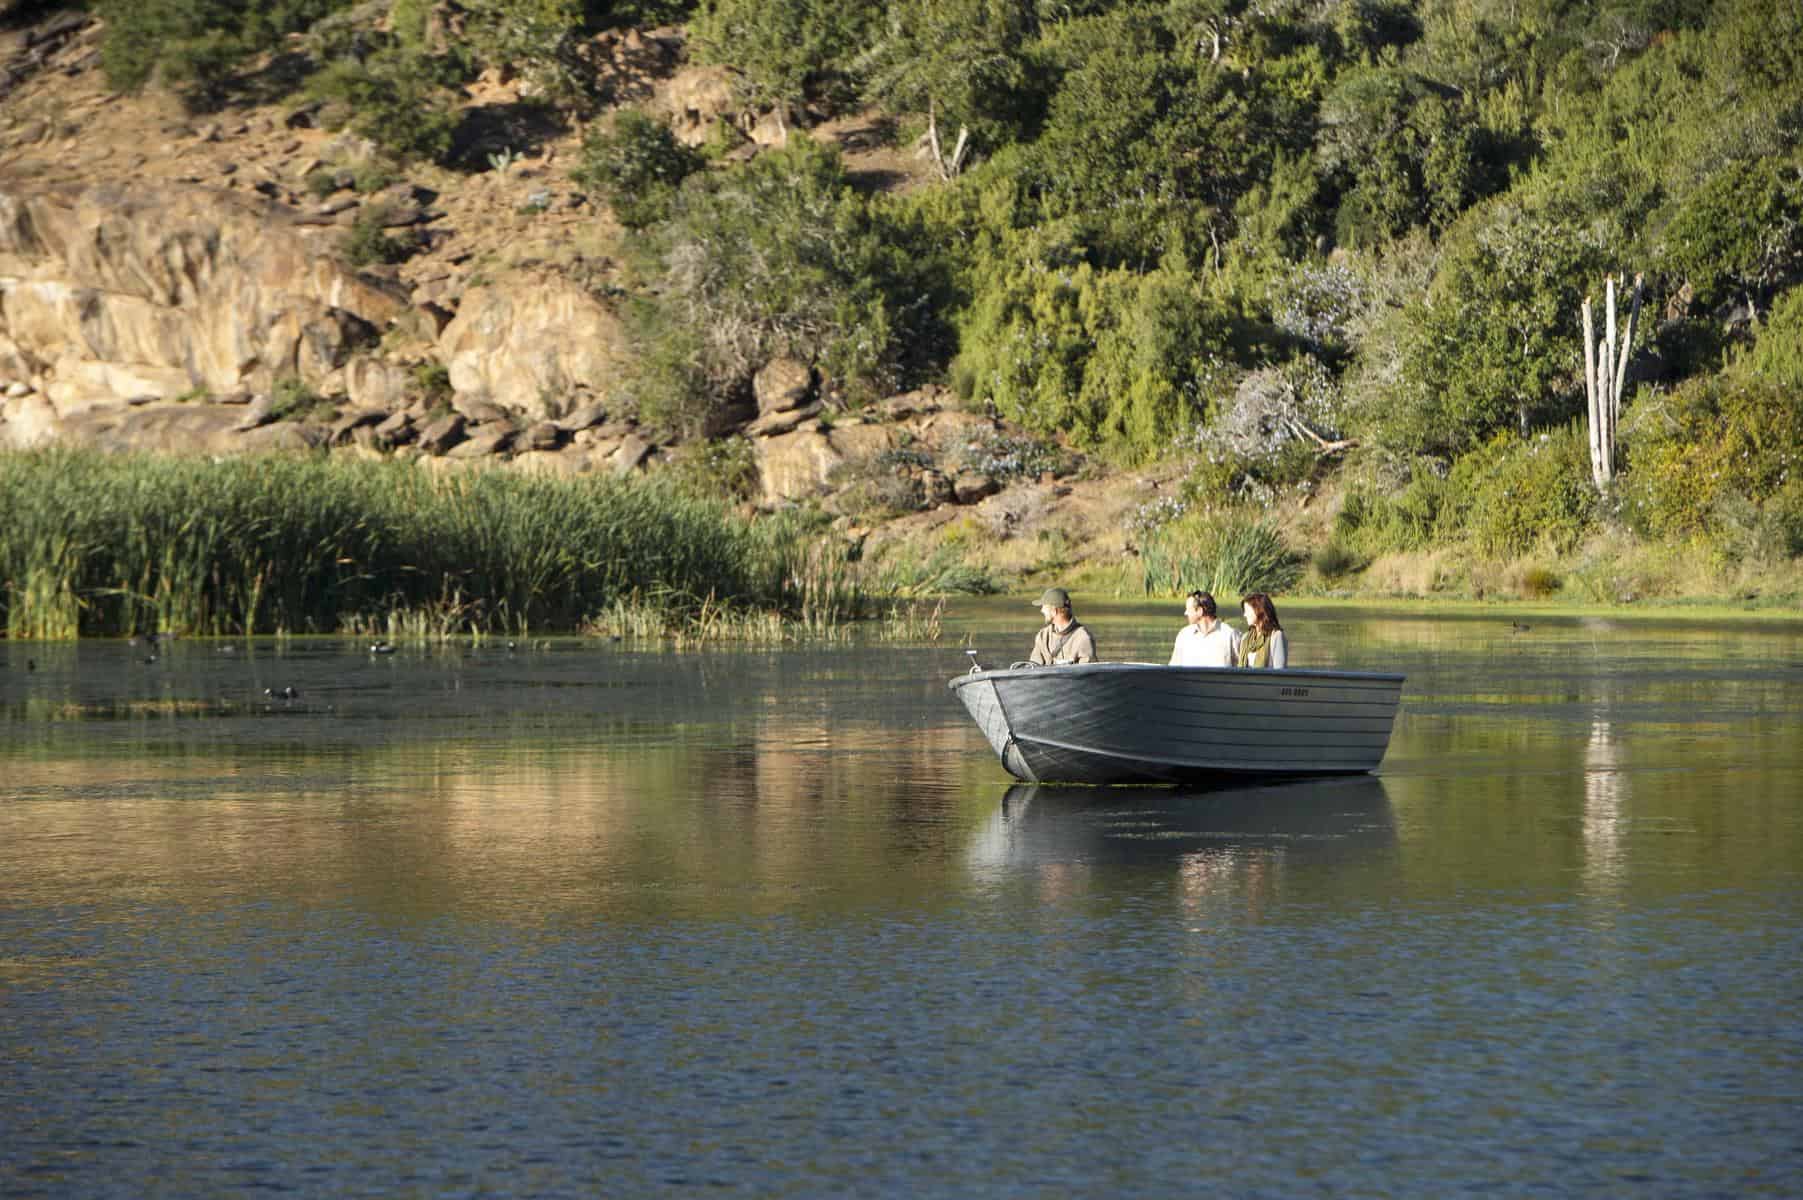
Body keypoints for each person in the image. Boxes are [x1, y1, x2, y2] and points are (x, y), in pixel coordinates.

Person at [1169, 590, 1240, 668]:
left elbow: (1243, 668)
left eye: (1189, 610)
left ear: (1200, 611)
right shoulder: (1184, 635)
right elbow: (1173, 669)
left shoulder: (1230, 634)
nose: (1185, 613)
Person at [1028, 587, 1097, 665]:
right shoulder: (1043, 635)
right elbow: (1033, 667)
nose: (1042, 610)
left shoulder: (1083, 638)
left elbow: (1089, 674)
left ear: (1054, 611)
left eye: (1044, 607)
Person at [1235, 592, 1288, 669]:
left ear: (1259, 610)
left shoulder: (1276, 636)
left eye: (1247, 610)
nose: (1245, 615)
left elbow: (1280, 672)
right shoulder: (1245, 638)